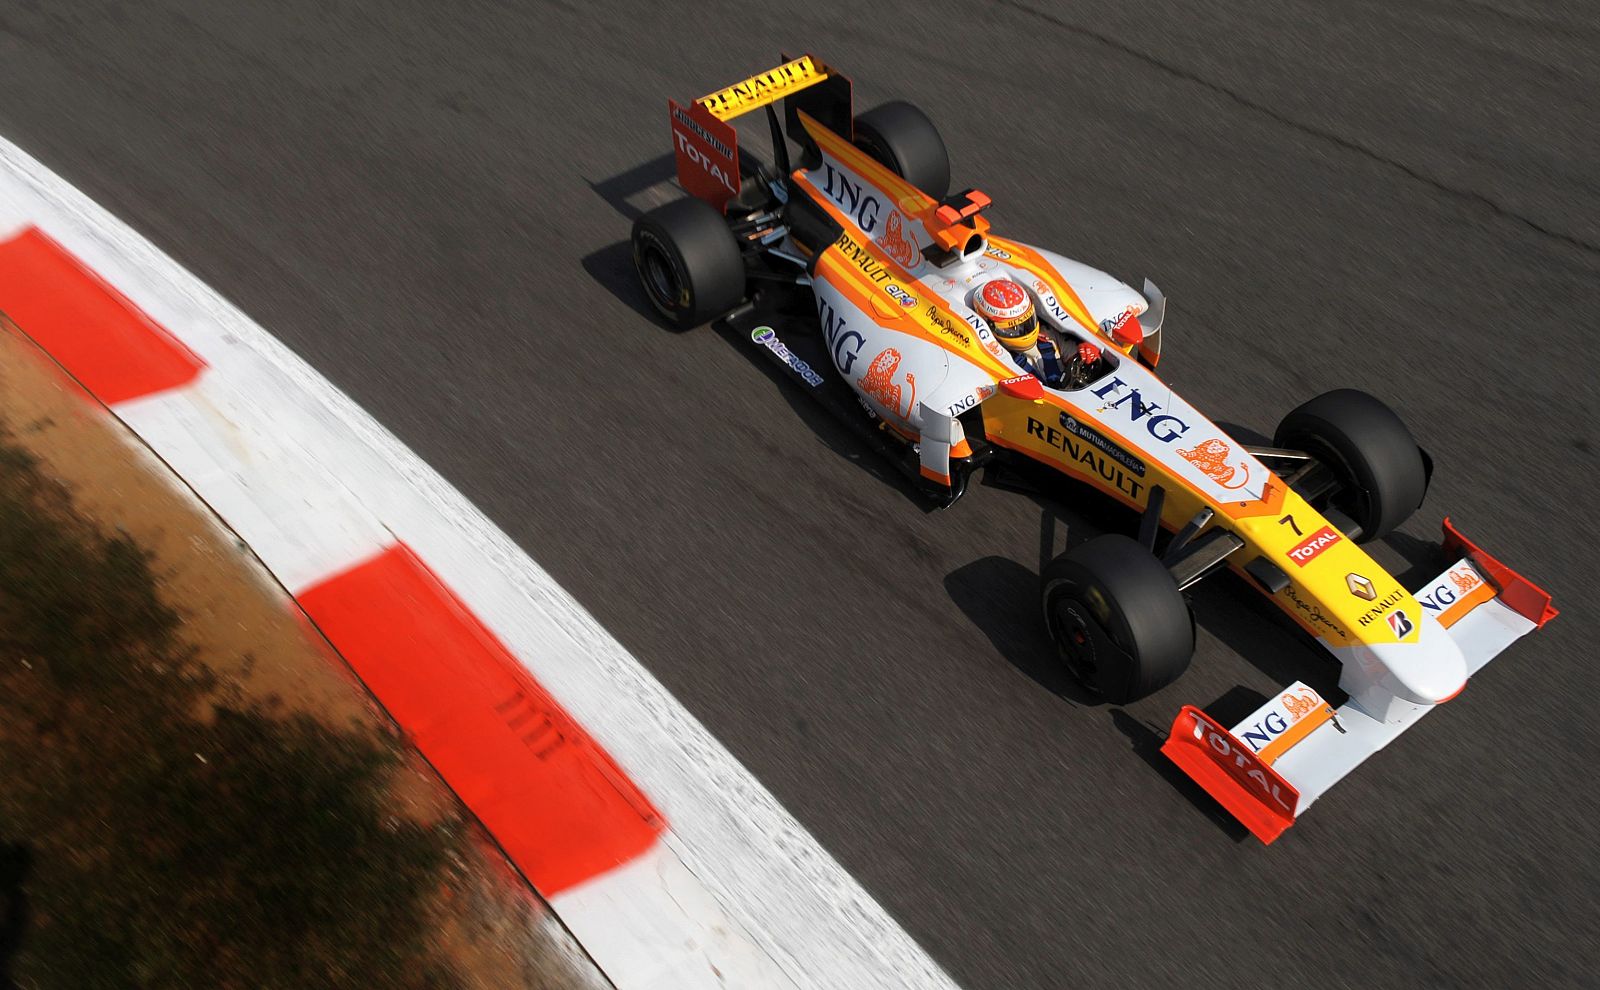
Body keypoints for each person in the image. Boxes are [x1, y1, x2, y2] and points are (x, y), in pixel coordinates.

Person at [972, 278, 1104, 388]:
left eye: (1026, 322)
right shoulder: (992, 357)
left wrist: (1090, 352)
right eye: (1012, 328)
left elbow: (1076, 355)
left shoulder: (1047, 335)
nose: (1022, 331)